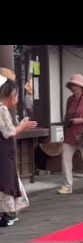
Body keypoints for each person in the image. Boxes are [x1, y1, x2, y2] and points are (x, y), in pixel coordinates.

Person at [0, 74, 37, 227]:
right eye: (15, 95)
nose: (17, 99)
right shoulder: (2, 109)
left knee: (5, 180)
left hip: (3, 149)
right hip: (4, 150)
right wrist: (22, 125)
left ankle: (6, 213)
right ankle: (10, 213)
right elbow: (9, 132)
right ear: (10, 95)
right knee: (7, 180)